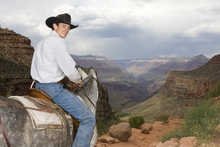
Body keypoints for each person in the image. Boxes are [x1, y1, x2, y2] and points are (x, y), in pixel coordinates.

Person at [30, 13, 96, 147]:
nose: (66, 30)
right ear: (55, 26)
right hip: (53, 90)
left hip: (37, 87)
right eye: (63, 26)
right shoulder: (58, 42)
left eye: (68, 28)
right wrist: (77, 80)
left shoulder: (41, 42)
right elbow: (70, 70)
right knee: (88, 119)